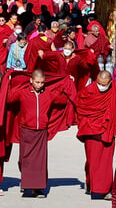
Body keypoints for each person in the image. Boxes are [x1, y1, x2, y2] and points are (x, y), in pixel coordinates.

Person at [7, 67, 73, 197]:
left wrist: (68, 82)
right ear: (31, 80)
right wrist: (9, 82)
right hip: (26, 129)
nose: (39, 85)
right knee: (25, 159)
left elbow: (62, 100)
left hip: (42, 130)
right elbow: (9, 98)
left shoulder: (48, 93)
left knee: (40, 161)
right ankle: (26, 185)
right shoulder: (23, 93)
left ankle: (37, 187)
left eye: (42, 82)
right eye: (37, 82)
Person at [76, 69, 116, 198]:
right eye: (99, 83)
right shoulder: (87, 91)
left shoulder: (115, 90)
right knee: (92, 161)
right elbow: (80, 107)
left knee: (106, 162)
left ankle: (104, 190)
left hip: (107, 129)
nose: (101, 86)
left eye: (104, 84)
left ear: (110, 82)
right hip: (91, 131)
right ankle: (91, 183)